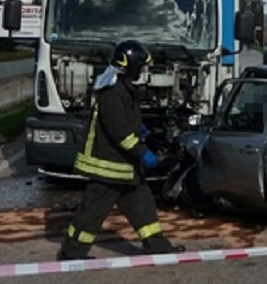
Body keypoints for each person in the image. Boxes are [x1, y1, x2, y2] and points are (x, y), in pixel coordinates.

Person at [57, 40, 184, 261]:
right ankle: (71, 254)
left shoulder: (123, 87)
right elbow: (119, 132)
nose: (144, 71)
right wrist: (144, 154)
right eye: (141, 66)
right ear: (131, 66)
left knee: (144, 209)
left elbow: (125, 123)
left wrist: (142, 131)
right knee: (91, 214)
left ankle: (160, 249)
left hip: (124, 168)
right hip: (109, 166)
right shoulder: (114, 91)